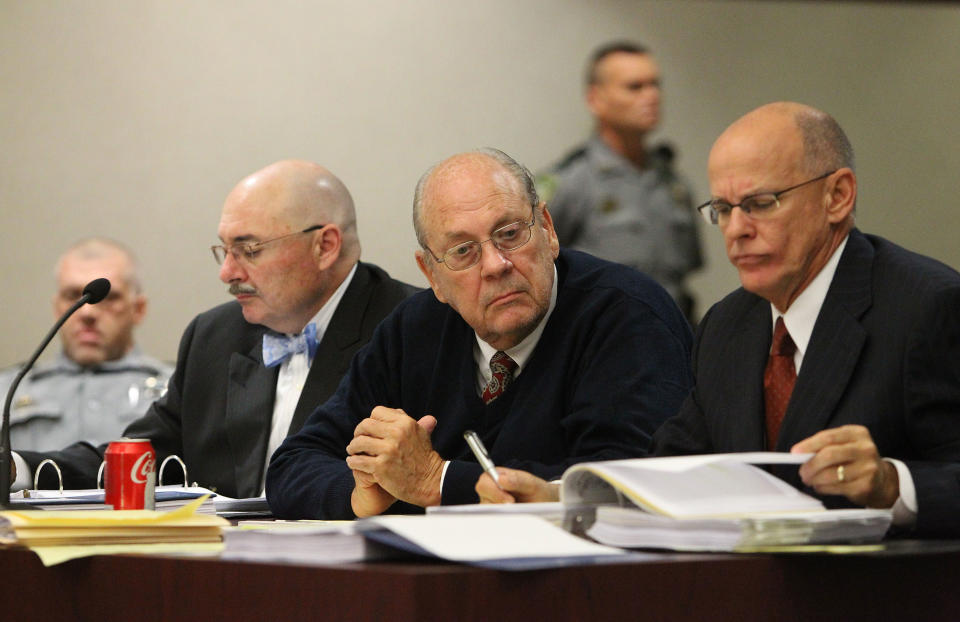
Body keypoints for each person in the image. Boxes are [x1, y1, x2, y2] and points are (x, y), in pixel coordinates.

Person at [476, 103, 960, 538]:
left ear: (837, 196)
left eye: (759, 204)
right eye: (723, 210)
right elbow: (672, 471)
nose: (736, 230)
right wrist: (561, 498)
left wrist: (892, 483)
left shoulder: (928, 307)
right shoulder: (729, 325)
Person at [266, 148, 694, 519]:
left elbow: (620, 484)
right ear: (431, 274)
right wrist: (363, 493)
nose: (495, 265)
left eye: (509, 234)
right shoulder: (411, 330)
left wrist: (440, 482)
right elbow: (292, 465)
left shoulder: (627, 316)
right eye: (463, 251)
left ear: (547, 228)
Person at [14, 160, 417, 498]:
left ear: (325, 246)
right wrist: (16, 469)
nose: (227, 272)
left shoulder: (413, 327)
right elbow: (140, 457)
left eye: (249, 250)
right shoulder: (215, 337)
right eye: (224, 250)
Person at [537, 41, 703, 320]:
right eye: (635, 87)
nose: (651, 96)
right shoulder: (571, 182)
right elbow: (535, 270)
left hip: (672, 340)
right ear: (595, 99)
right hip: (604, 344)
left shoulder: (674, 185)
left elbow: (684, 276)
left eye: (655, 85)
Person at [0, 238, 172, 451]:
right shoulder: (8, 391)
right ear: (57, 308)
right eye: (73, 296)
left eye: (108, 298)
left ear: (138, 309)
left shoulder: (173, 389)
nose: (87, 312)